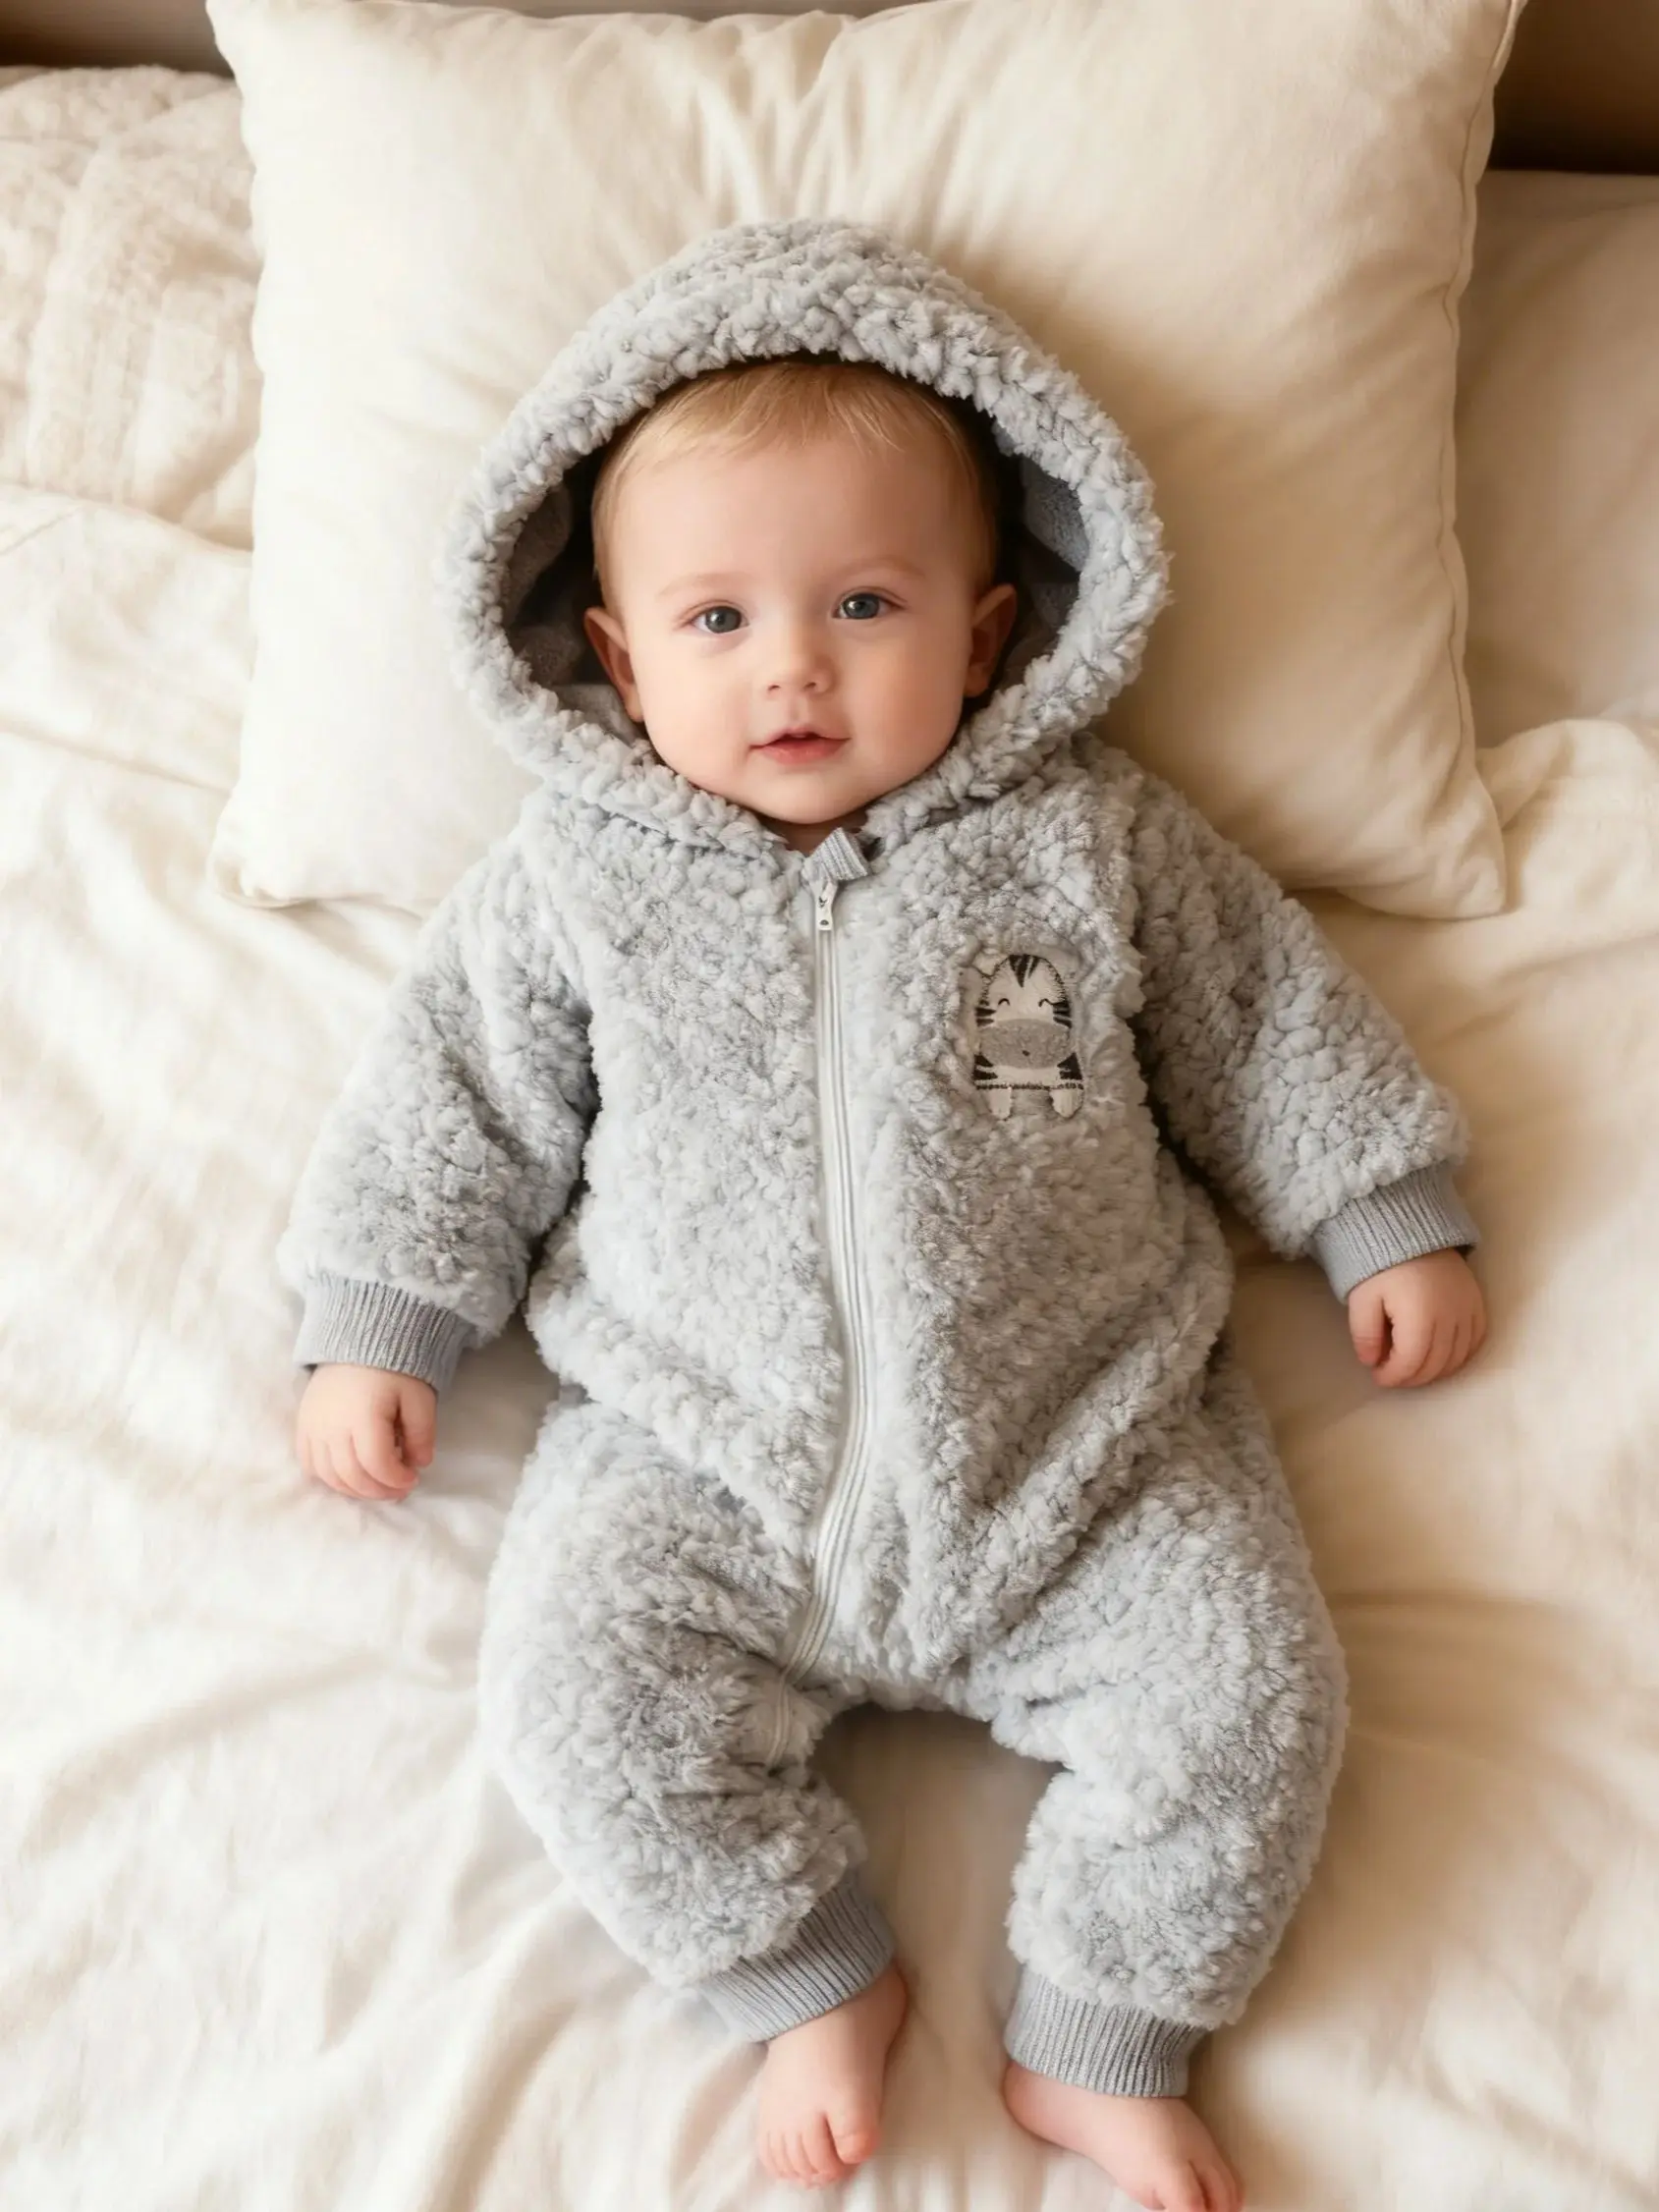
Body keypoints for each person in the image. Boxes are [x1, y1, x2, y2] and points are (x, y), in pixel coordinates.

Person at [283, 218, 1487, 2212]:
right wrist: (379, 1316)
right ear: (617, 656)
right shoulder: (575, 882)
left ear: (989, 633)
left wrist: (1378, 1202)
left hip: (1083, 1449)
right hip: (701, 1461)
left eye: (862, 603)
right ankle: (809, 1975)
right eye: (718, 619)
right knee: (574, 1701)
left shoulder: (1088, 838)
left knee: (1249, 1701)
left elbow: (1264, 1016)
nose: (794, 667)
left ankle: (1097, 2031)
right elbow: (451, 1103)